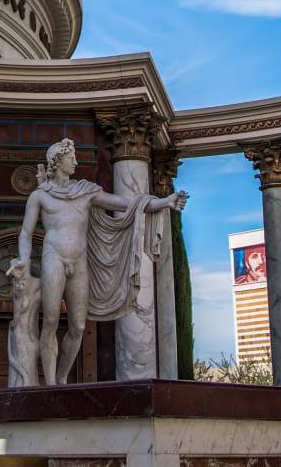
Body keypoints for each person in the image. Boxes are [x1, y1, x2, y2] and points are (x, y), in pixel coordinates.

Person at [10, 139, 187, 385]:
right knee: (50, 321)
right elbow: (26, 233)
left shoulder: (85, 191)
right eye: (71, 158)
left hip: (79, 262)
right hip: (54, 259)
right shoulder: (40, 196)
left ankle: (61, 377)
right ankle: (49, 384)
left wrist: (164, 202)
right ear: (57, 161)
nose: (76, 162)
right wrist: (24, 259)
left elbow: (128, 204)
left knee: (78, 327)